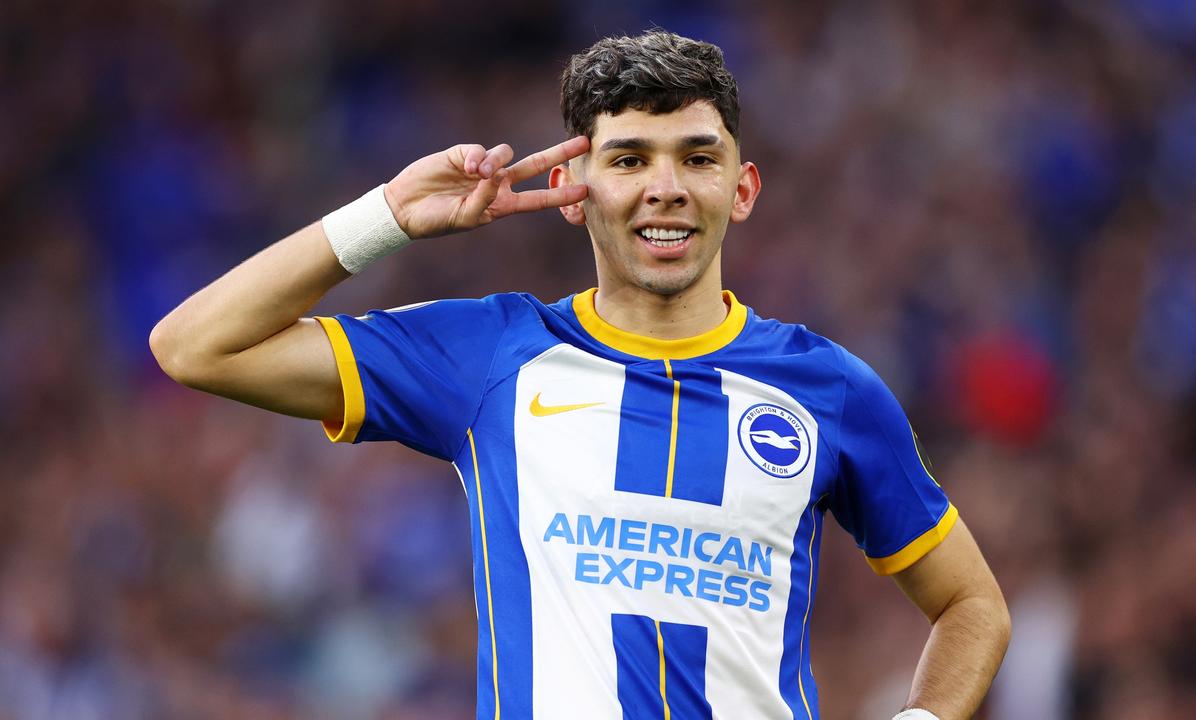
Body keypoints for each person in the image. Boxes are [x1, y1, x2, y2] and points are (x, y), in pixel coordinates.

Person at [151, 29, 1010, 720]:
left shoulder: (830, 391)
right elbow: (196, 345)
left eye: (697, 158)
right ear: (572, 190)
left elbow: (974, 610)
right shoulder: (491, 356)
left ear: (742, 189)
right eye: (630, 159)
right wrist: (390, 219)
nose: (665, 188)